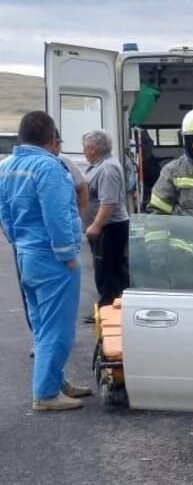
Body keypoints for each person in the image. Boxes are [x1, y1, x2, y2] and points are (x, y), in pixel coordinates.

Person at [0, 111, 91, 410]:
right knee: (58, 328)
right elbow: (56, 215)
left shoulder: (7, 167)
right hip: (53, 258)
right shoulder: (48, 167)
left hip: (27, 254)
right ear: (52, 139)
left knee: (41, 325)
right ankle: (47, 394)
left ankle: (55, 380)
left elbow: (5, 214)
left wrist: (17, 240)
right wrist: (67, 256)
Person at [82, 129, 130, 313]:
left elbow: (108, 202)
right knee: (108, 269)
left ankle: (108, 309)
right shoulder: (99, 165)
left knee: (108, 270)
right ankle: (109, 308)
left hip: (110, 227)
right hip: (106, 227)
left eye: (85, 148)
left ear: (93, 149)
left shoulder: (107, 168)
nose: (84, 152)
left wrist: (96, 226)